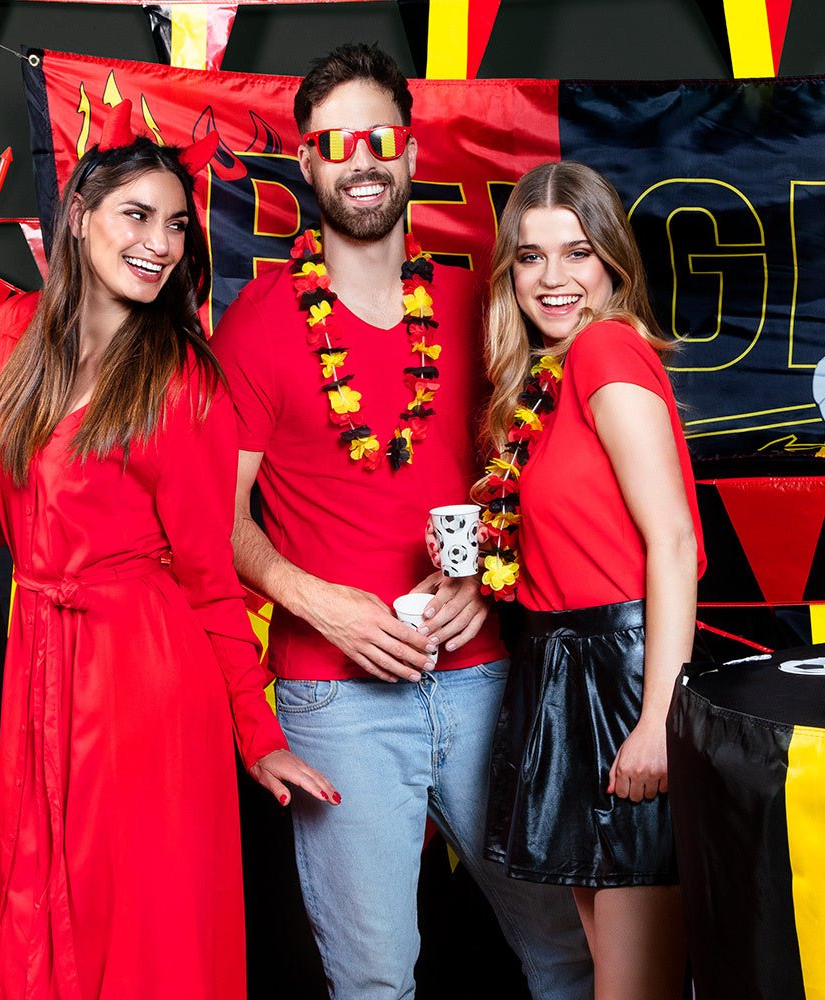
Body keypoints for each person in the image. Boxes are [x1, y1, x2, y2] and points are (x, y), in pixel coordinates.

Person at [0, 101, 338, 1000]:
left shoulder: (184, 381)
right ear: (79, 216)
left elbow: (210, 578)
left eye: (176, 224)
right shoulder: (19, 335)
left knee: (142, 926)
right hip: (41, 671)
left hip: (145, 688)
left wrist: (258, 732)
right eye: (138, 215)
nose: (160, 243)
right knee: (45, 908)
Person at [212, 43, 592, 1000]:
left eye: (380, 138)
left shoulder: (474, 302)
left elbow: (536, 472)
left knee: (571, 956)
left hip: (483, 679)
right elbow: (218, 516)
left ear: (412, 153)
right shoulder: (258, 320)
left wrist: (489, 575)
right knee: (375, 982)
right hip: (334, 700)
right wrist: (318, 604)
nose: (362, 161)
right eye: (336, 143)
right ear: (308, 163)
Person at [475, 161, 706, 999]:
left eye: (576, 253)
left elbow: (673, 541)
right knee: (610, 971)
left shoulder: (607, 349)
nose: (553, 278)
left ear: (611, 260)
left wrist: (658, 721)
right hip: (558, 673)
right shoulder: (543, 378)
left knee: (633, 985)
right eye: (531, 257)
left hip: (626, 675)